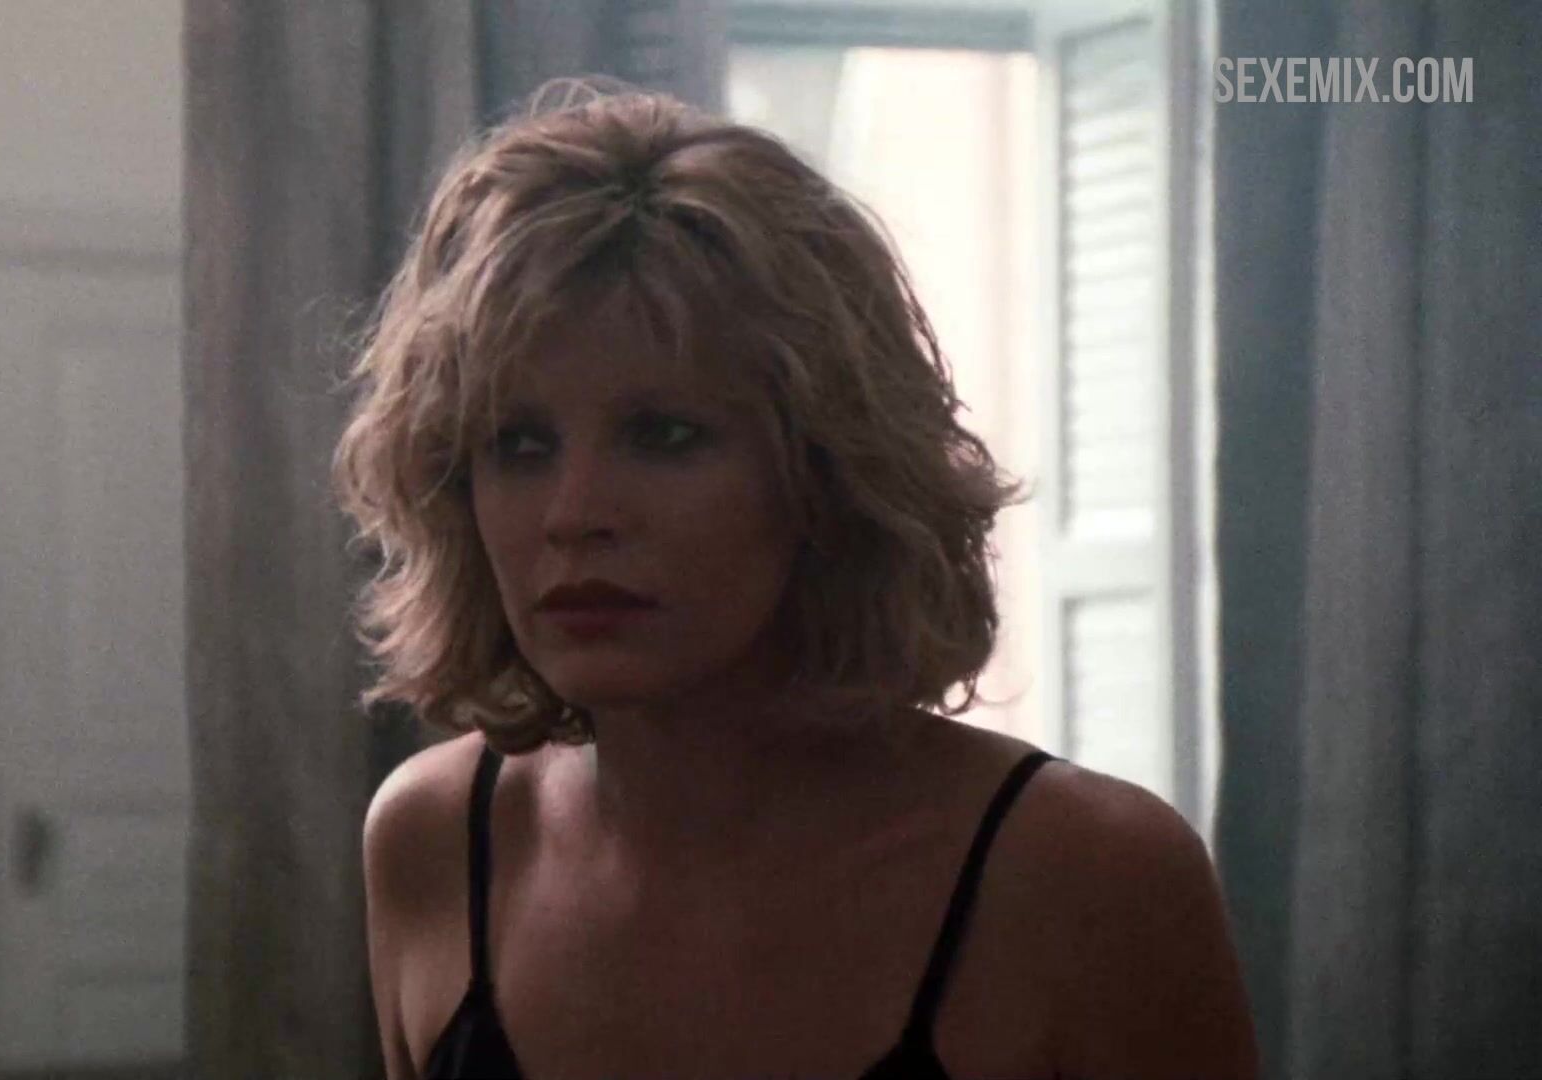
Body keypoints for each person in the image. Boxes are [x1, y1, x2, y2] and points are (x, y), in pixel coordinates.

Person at [331, 77, 1256, 1080]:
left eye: (664, 434)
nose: (573, 512)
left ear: (826, 472)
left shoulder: (1085, 878)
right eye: (518, 444)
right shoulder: (435, 844)